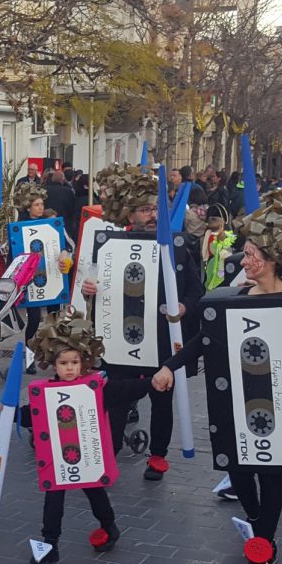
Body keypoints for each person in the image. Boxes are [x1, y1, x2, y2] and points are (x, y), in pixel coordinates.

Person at [152, 190, 282, 564]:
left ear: (274, 260)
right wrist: (169, 366)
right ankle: (257, 519)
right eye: (244, 254)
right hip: (238, 404)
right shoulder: (233, 300)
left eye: (250, 255)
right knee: (241, 472)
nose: (243, 261)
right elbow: (201, 340)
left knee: (271, 472)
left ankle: (264, 540)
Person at [81, 167, 203, 481]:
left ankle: (158, 455)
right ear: (130, 213)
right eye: (145, 209)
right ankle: (109, 454)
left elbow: (195, 289)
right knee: (117, 397)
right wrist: (89, 290)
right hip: (122, 340)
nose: (152, 215)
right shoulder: (111, 246)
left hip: (161, 339)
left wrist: (183, 306)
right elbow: (97, 285)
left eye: (155, 208)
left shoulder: (175, 246)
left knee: (162, 399)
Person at [24, 312, 149, 564]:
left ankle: (109, 526)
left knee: (95, 492)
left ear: (83, 362)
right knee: (54, 495)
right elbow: (30, 414)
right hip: (58, 459)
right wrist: (11, 415)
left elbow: (124, 389)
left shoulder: (95, 387)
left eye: (74, 362)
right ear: (53, 364)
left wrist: (153, 381)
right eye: (63, 363)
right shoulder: (46, 391)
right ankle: (50, 544)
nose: (69, 368)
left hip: (87, 455)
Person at [11, 181, 72, 374]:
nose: (40, 207)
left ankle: (56, 360)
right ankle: (29, 361)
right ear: (28, 207)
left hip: (53, 279)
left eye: (41, 204)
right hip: (31, 282)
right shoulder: (19, 228)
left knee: (53, 320)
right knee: (34, 320)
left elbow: (69, 246)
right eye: (37, 205)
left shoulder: (54, 224)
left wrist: (65, 254)